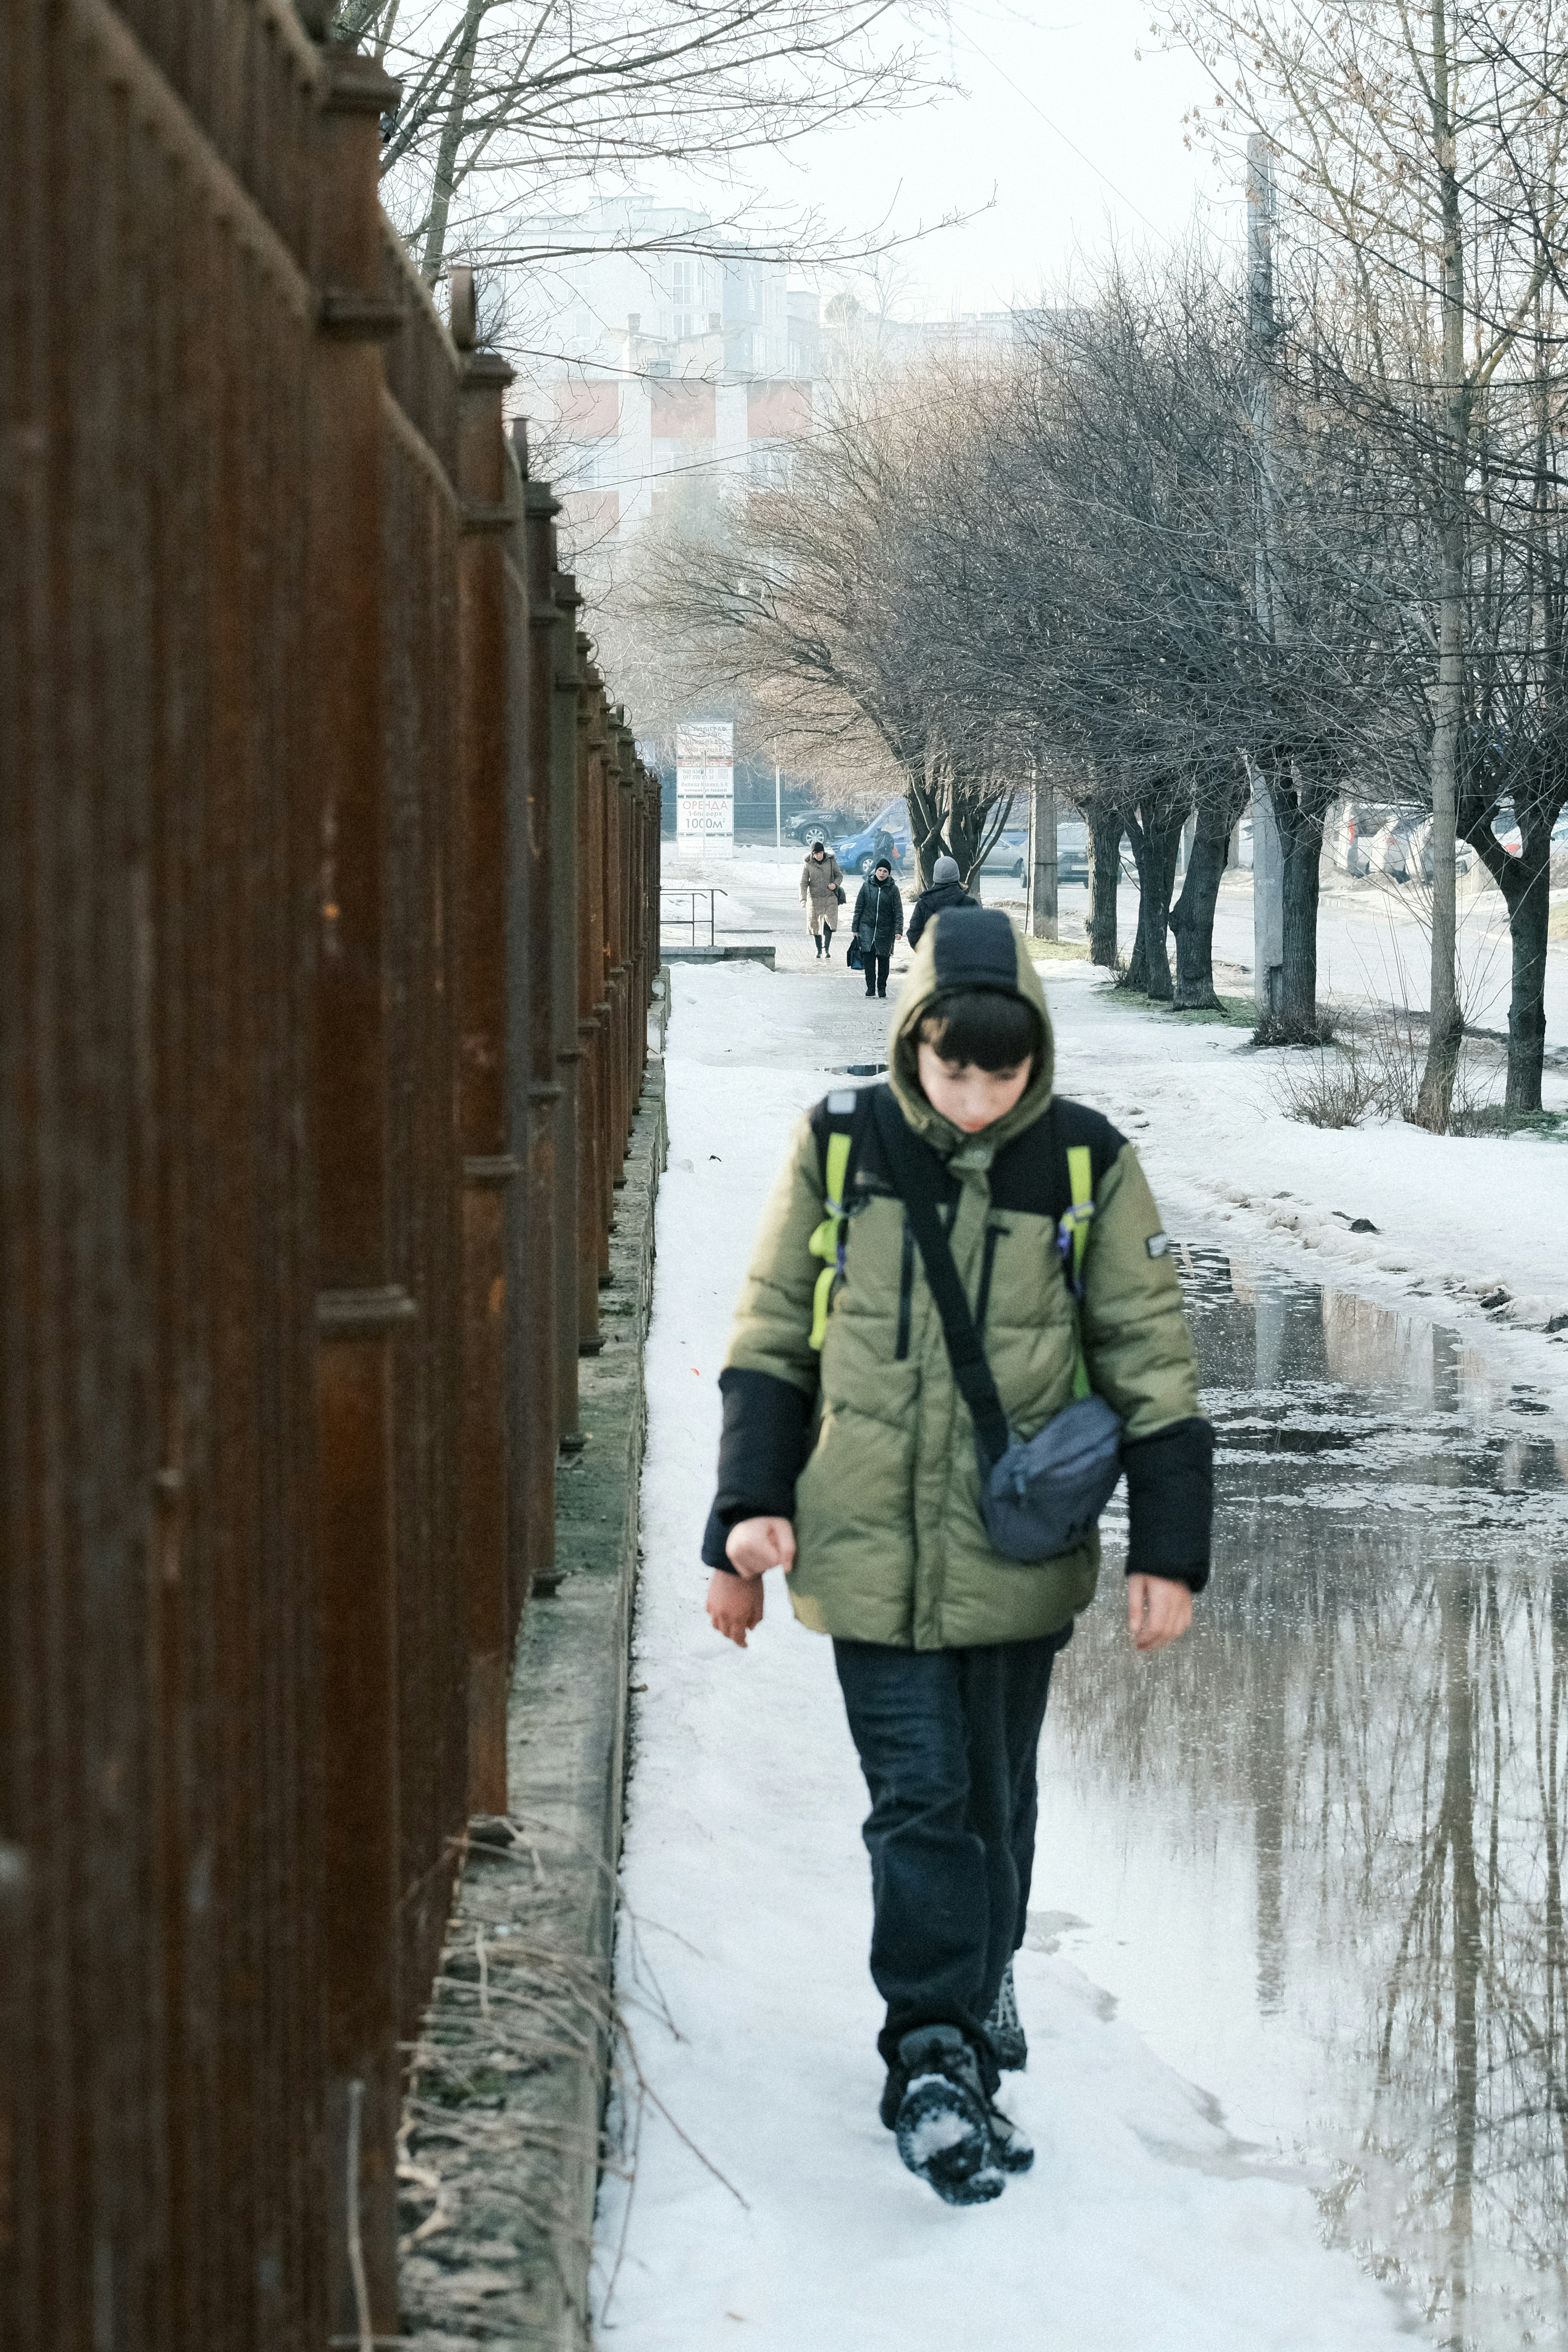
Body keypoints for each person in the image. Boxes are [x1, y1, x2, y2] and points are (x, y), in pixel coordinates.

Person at [700, 906, 1212, 2207]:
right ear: (910, 1044)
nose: (977, 1096)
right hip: (862, 1546)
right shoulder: (837, 1146)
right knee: (920, 1797)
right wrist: (741, 1525)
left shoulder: (1088, 1165)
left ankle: (978, 1985)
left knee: (993, 1798)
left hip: (1015, 1551)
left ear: (1035, 1054)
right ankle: (930, 2054)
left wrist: (1171, 1550)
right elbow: (770, 1335)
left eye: (1003, 1069)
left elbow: (1151, 1365)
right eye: (952, 1067)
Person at [851, 854, 903, 997]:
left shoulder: (893, 890)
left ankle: (882, 989)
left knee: (884, 961)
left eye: (885, 872)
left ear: (889, 874)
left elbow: (898, 911)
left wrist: (898, 930)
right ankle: (870, 988)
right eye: (880, 870)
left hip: (886, 931)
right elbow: (859, 908)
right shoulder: (867, 886)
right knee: (869, 960)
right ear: (876, 871)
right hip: (867, 928)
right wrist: (855, 928)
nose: (882, 874)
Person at [906, 852, 978, 949]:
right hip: (964, 961)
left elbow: (913, 934)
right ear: (957, 876)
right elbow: (980, 934)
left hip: (932, 961)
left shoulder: (923, 904)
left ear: (935, 877)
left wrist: (926, 955)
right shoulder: (970, 904)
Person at [799, 840, 845, 958]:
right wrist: (803, 899)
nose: (819, 855)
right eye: (816, 854)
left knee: (828, 924)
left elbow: (839, 875)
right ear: (812, 854)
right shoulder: (808, 864)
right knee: (816, 925)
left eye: (821, 853)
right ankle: (819, 950)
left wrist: (835, 885)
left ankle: (827, 949)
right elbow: (803, 883)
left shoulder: (831, 861)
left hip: (830, 898)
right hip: (814, 899)